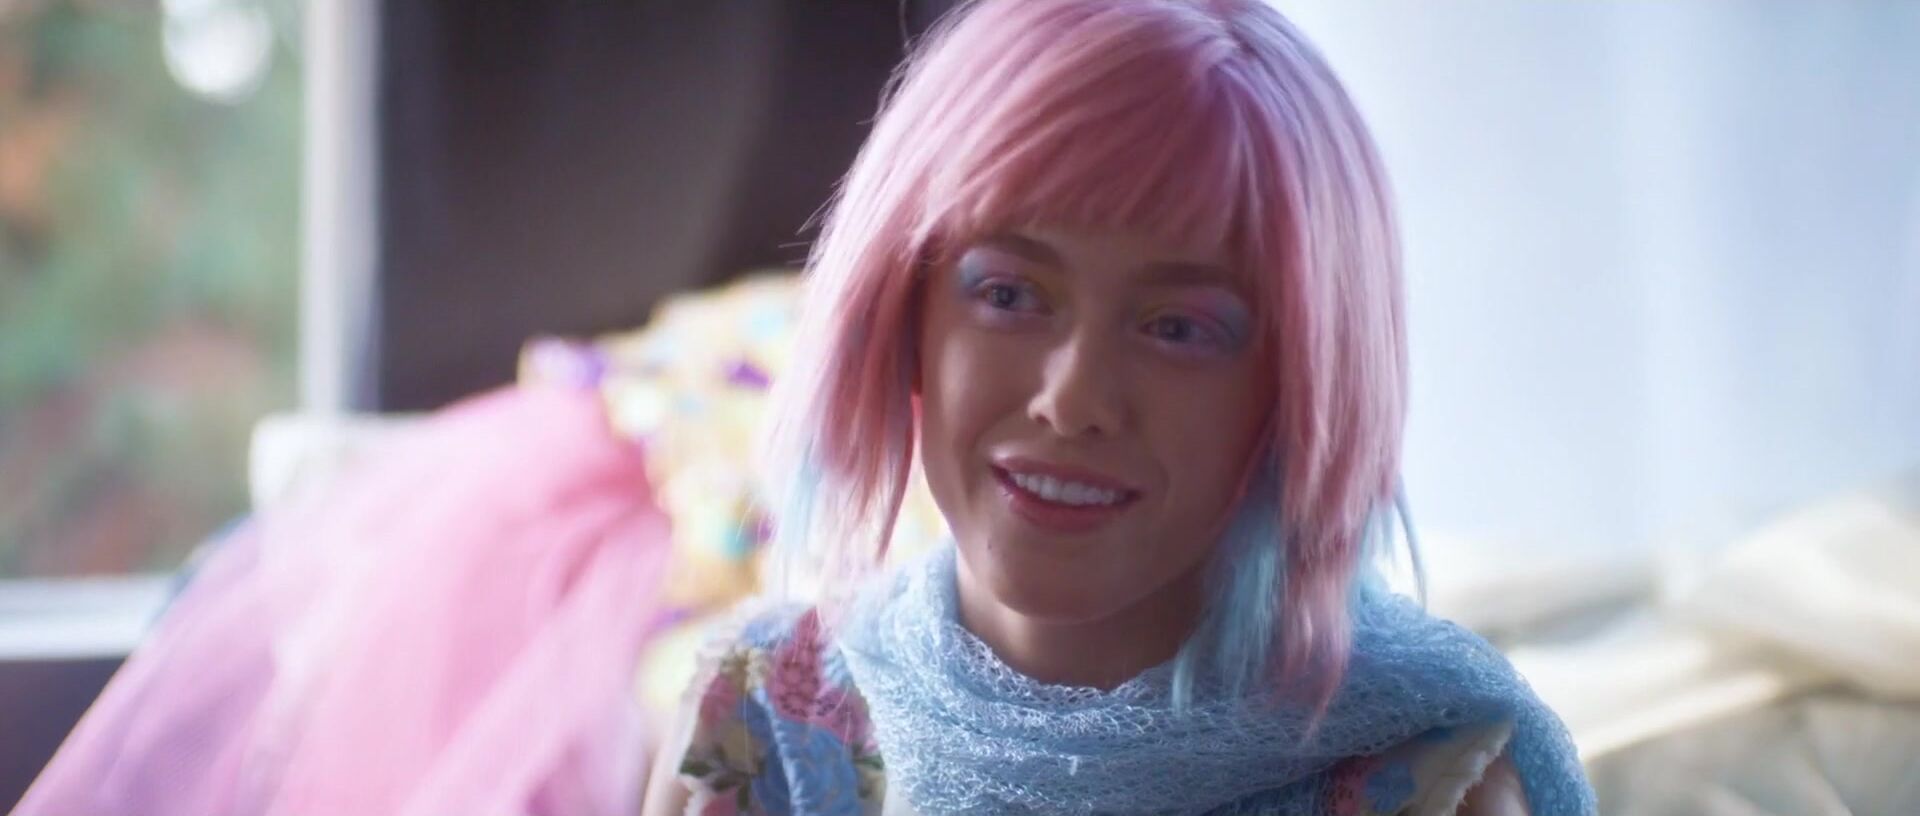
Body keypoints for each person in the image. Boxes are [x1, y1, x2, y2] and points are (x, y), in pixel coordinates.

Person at [640, 1, 1594, 814]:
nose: (1072, 401)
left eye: (1177, 328)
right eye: (1009, 294)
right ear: (901, 310)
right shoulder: (762, 723)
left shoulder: (1428, 774)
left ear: (1300, 386)